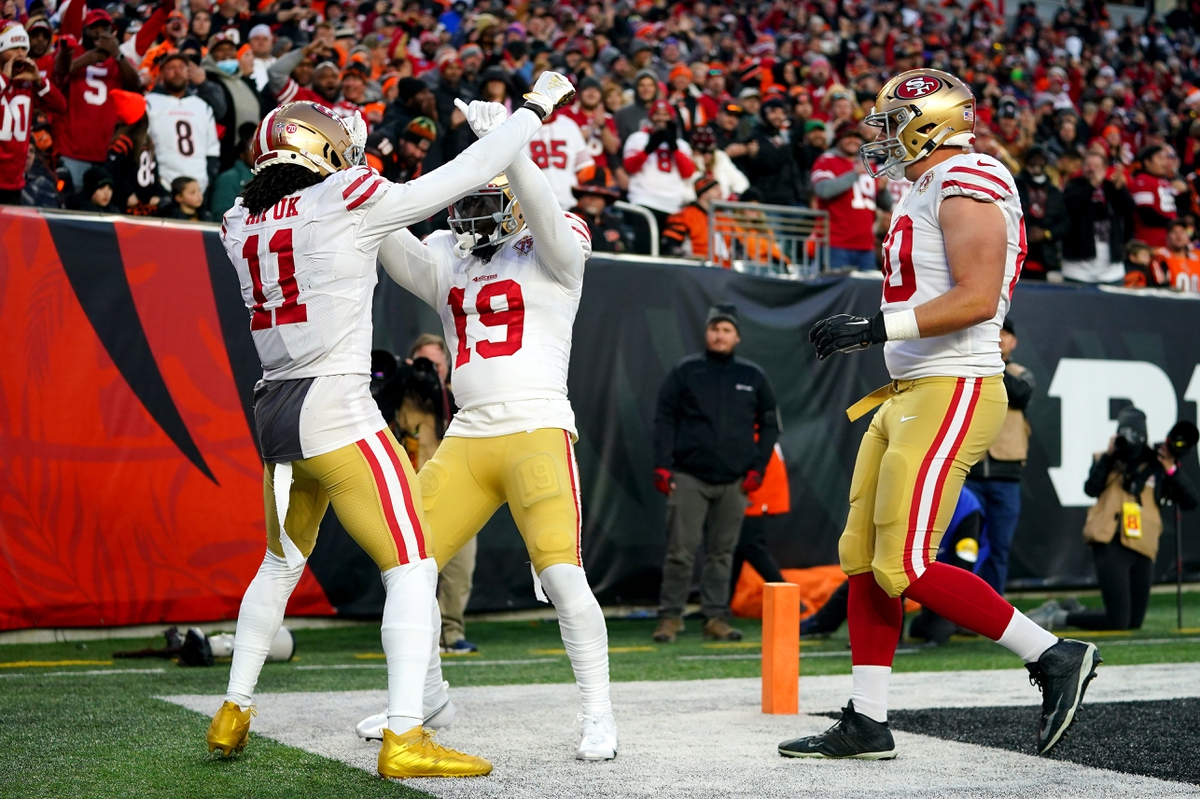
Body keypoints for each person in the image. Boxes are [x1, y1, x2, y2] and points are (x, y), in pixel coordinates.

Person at [206, 73, 578, 780]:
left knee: (280, 562)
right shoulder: (345, 196)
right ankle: (407, 734)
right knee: (411, 566)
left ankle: (235, 708)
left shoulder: (237, 223)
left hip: (274, 412)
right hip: (335, 405)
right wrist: (531, 111)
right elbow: (465, 173)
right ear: (320, 151)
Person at [784, 69, 1101, 762]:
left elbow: (979, 296)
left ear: (927, 123)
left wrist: (875, 328)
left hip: (954, 383)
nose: (878, 133)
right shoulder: (923, 185)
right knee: (863, 560)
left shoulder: (971, 175)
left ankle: (1052, 652)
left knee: (903, 561)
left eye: (889, 120)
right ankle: (867, 719)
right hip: (909, 391)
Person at [364, 101, 618, 763]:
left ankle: (599, 712)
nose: (472, 216)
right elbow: (391, 242)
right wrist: (354, 177)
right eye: (464, 202)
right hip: (470, 436)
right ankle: (426, 695)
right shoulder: (449, 254)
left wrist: (511, 144)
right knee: (407, 564)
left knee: (563, 577)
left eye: (488, 198)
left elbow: (544, 211)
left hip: (536, 428)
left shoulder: (556, 241)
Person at [652, 304, 779, 644]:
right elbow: (664, 420)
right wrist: (663, 465)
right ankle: (670, 618)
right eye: (714, 329)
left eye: (726, 330)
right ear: (706, 333)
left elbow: (770, 427)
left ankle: (715, 619)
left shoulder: (753, 377)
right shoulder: (685, 372)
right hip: (689, 477)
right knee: (681, 550)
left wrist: (757, 469)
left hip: (734, 481)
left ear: (736, 336)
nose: (719, 335)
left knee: (722, 554)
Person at [1028, 407, 1197, 632]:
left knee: (1133, 623)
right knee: (1118, 621)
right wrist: (1109, 457)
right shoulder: (1106, 459)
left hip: (1143, 544)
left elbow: (1190, 502)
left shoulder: (1157, 464)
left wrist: (1171, 469)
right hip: (1110, 542)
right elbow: (1091, 488)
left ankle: (1072, 609)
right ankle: (1058, 617)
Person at [965, 318, 1034, 594]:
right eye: (995, 333)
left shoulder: (1021, 374)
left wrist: (989, 362)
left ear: (1014, 342)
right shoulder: (968, 369)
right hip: (969, 473)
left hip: (1007, 477)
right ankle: (956, 613)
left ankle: (991, 616)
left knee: (999, 546)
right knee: (965, 544)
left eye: (1005, 334)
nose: (1000, 338)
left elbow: (1020, 394)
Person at [54, 9, 141, 190]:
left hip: (105, 151)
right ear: (84, 30)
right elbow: (57, 75)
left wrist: (117, 56)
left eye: (105, 28)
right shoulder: (73, 51)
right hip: (72, 149)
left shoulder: (120, 59)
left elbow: (136, 85)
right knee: (71, 205)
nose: (100, 33)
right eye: (94, 28)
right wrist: (86, 59)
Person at [0, 21, 65, 205]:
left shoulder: (27, 82)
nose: (20, 53)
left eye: (23, 47)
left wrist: (39, 80)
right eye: (14, 48)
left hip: (14, 181)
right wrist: (4, 79)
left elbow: (61, 106)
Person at [812, 122, 889, 270]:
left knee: (865, 291)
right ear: (839, 139)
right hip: (836, 242)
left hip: (866, 243)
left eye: (857, 137)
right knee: (837, 289)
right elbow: (823, 190)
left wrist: (883, 190)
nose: (853, 140)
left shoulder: (868, 165)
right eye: (848, 137)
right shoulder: (826, 161)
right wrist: (854, 174)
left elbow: (885, 204)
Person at [146, 52, 221, 196]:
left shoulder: (202, 106)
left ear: (188, 73)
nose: (177, 71)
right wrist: (155, 180)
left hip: (199, 186)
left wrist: (209, 178)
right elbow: (144, 147)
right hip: (164, 184)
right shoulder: (149, 103)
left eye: (181, 67)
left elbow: (212, 149)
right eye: (171, 67)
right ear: (161, 74)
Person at [623, 100, 696, 239]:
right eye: (657, 114)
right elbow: (630, 167)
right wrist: (648, 148)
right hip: (644, 201)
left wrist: (674, 148)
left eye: (665, 114)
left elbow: (688, 173)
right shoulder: (638, 138)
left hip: (673, 206)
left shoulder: (681, 145)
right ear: (650, 117)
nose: (661, 118)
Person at [1061, 152, 1133, 285]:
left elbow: (1129, 210)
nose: (1091, 169)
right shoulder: (1073, 186)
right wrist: (1093, 184)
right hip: (1078, 270)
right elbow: (1072, 206)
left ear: (1104, 168)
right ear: (1082, 167)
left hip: (1111, 271)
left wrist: (1121, 189)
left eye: (1096, 166)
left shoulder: (1110, 188)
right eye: (1088, 165)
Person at [1014, 146, 1069, 280]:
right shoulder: (1015, 186)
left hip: (1047, 259)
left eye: (1041, 159)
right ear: (1027, 161)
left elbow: (1065, 223)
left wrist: (1046, 233)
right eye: (1033, 159)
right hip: (1017, 256)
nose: (1037, 163)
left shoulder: (1054, 191)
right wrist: (1025, 233)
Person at [570, 164, 633, 254]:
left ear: (605, 201)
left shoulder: (613, 222)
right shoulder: (571, 219)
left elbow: (628, 249)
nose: (593, 200)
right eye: (589, 195)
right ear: (581, 198)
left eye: (598, 196)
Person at [661, 176, 724, 260]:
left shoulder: (724, 218)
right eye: (715, 189)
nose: (720, 192)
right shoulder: (684, 216)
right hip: (696, 268)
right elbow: (670, 246)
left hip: (724, 269)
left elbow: (738, 248)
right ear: (704, 193)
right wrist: (690, 258)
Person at [1129, 144, 1180, 248]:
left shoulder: (1165, 181)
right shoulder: (1142, 180)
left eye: (1165, 158)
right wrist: (1173, 223)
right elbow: (1146, 214)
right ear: (1147, 162)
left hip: (1169, 242)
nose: (1164, 162)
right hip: (1151, 243)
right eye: (1160, 158)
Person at [1157, 219, 1200, 293]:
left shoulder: (1197, 256)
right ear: (1167, 236)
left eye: (1182, 232)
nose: (1179, 236)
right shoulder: (1161, 258)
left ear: (1187, 237)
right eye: (1174, 232)